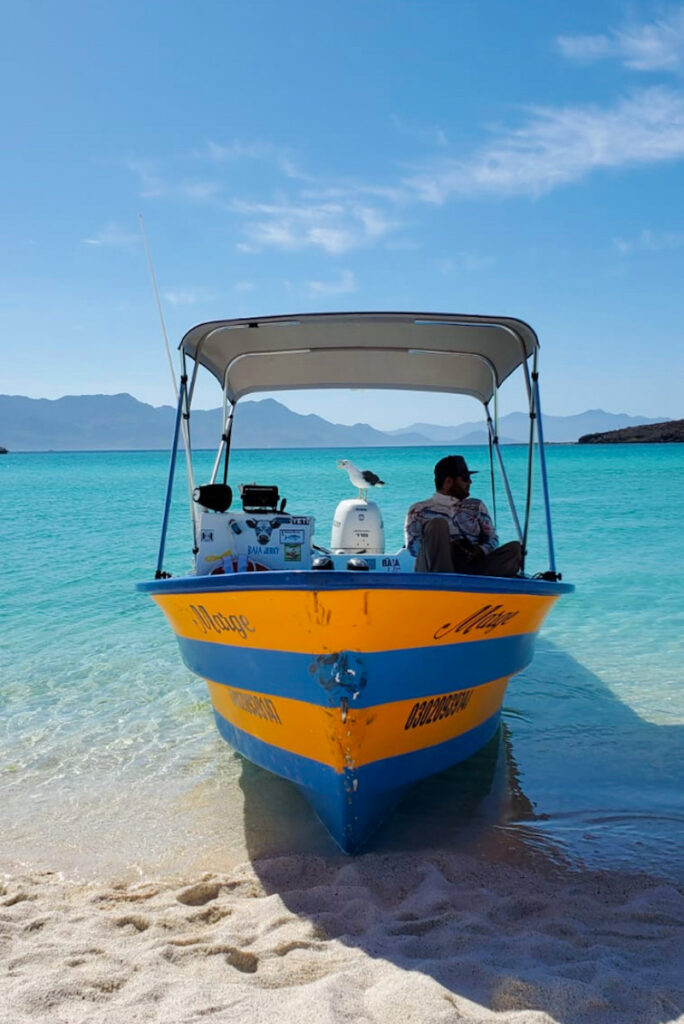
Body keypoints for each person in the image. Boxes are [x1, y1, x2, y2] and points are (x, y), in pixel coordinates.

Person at [405, 454, 522, 577]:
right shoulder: (419, 510)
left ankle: (472, 583)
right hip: (433, 570)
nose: (470, 482)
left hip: (471, 566)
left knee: (515, 549)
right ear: (448, 482)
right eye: (465, 478)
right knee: (438, 524)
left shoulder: (476, 506)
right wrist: (447, 547)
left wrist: (480, 550)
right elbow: (413, 549)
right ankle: (445, 581)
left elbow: (493, 538)